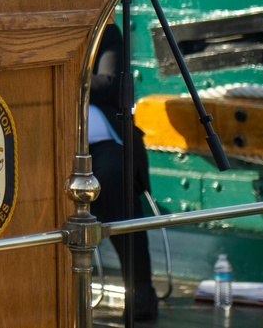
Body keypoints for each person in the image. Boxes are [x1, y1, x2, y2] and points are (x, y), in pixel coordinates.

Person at [89, 22, 159, 322]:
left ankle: (140, 290)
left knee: (116, 175)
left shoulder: (104, 33)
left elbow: (110, 82)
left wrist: (60, 73)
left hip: (104, 145)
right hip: (48, 145)